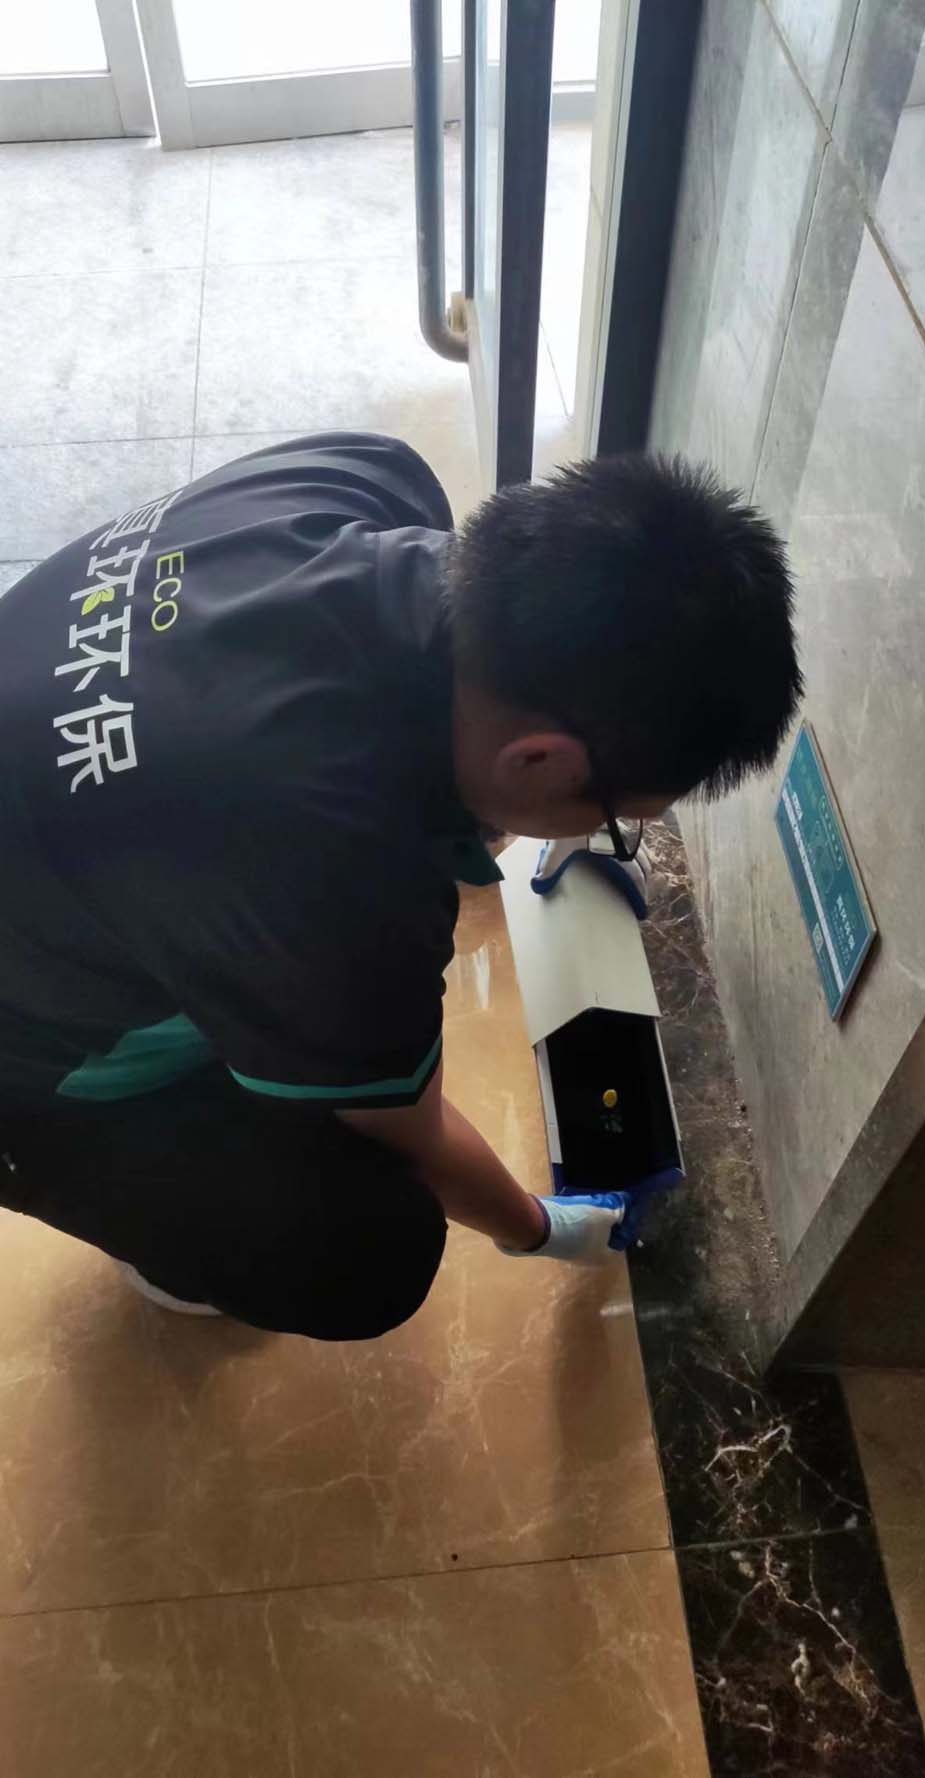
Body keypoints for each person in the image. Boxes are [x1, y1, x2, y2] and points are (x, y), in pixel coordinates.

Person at [0, 434, 801, 1338]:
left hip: (51, 829)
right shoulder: (328, 878)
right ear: (539, 760)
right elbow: (407, 1135)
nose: (607, 833)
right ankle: (159, 1232)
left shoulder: (366, 476)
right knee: (365, 1251)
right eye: (617, 819)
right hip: (25, 1075)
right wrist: (542, 1230)